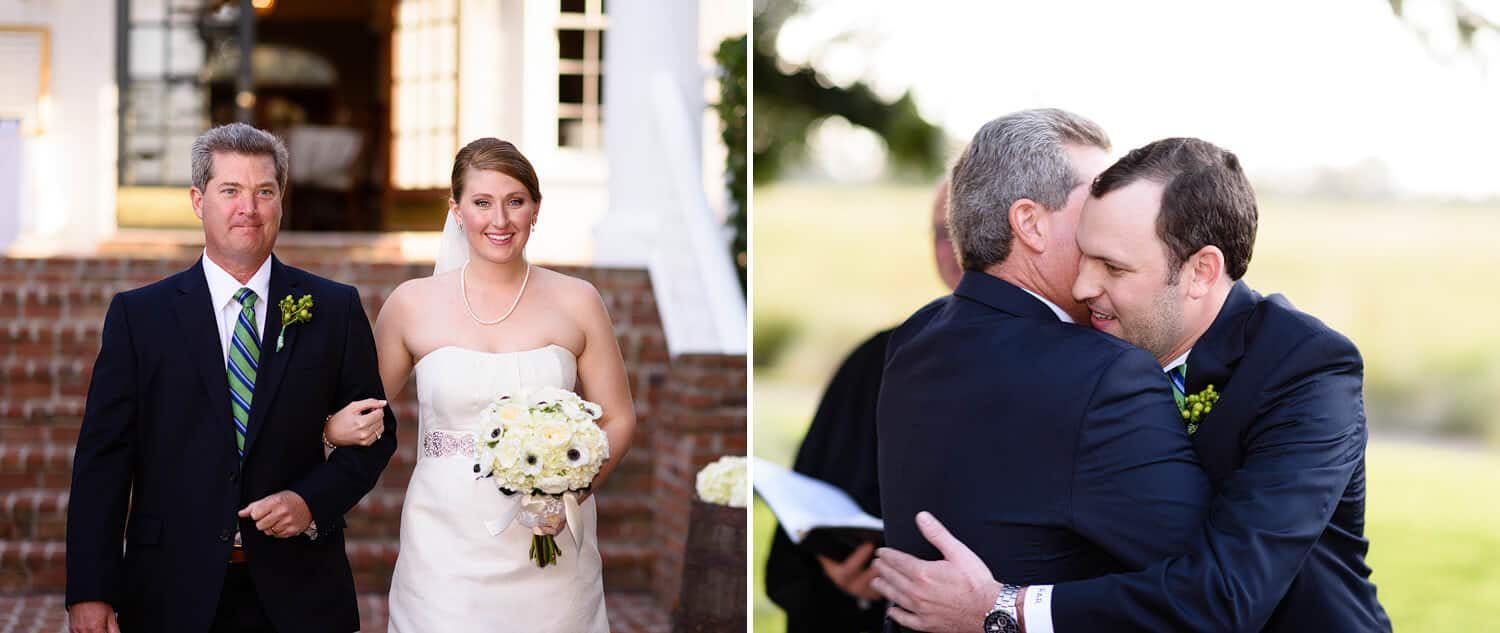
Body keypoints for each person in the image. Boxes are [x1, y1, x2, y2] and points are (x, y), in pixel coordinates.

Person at [873, 138, 1388, 632]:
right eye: (1084, 255)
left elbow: (1228, 593)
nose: (1082, 286)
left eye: (1113, 267)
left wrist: (1003, 608)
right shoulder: (1092, 354)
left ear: (1200, 272)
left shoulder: (1306, 369)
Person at [873, 110, 1212, 633]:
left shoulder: (916, 337)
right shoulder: (1104, 376)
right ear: (1030, 223)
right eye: (1098, 198)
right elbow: (1203, 587)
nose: (1115, 216)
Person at [65, 123, 396, 633]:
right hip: (169, 590)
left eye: (265, 191)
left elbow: (377, 433)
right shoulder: (140, 317)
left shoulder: (333, 308)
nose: (250, 207)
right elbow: (102, 460)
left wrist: (311, 502)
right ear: (199, 201)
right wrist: (91, 588)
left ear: (281, 200)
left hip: (300, 590)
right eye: (231, 191)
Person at [324, 137, 636, 632]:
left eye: (516, 201)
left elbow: (618, 418)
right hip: (444, 539)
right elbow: (364, 410)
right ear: (456, 210)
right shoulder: (411, 304)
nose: (500, 220)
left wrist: (569, 492)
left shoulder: (578, 301)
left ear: (535, 208)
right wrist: (327, 431)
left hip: (551, 543)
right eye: (482, 203)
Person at [764, 176, 961, 632]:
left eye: (969, 229)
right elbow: (814, 494)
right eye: (942, 232)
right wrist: (836, 570)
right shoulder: (877, 359)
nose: (958, 249)